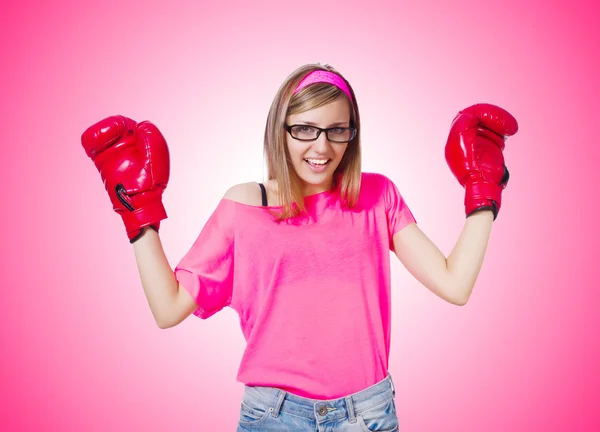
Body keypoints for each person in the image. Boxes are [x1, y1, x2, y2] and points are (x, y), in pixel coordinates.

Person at [81, 63, 518, 431]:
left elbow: (455, 284)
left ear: (352, 134)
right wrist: (139, 214)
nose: (321, 146)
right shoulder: (244, 206)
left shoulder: (377, 196)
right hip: (273, 416)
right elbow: (168, 307)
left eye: (336, 130)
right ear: (281, 130)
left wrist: (483, 194)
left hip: (365, 415)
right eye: (305, 129)